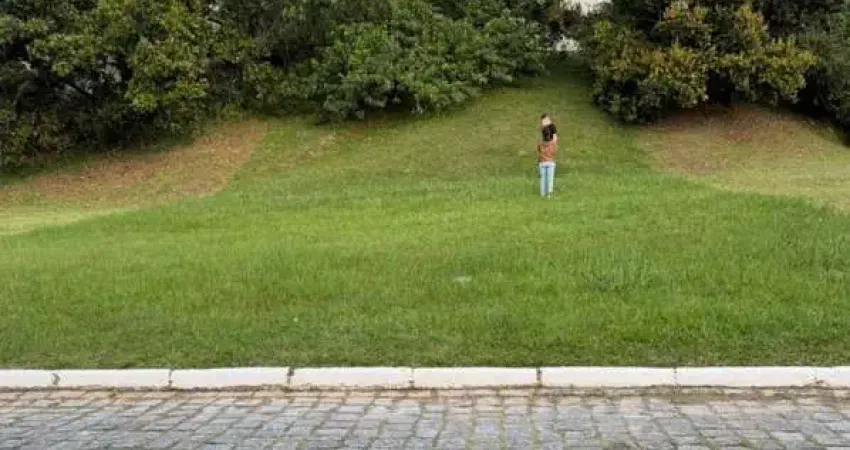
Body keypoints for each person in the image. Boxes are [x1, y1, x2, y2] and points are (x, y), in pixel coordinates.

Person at [537, 113, 558, 198]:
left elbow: (538, 150)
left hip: (542, 163)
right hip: (550, 163)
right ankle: (549, 194)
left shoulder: (541, 143)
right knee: (550, 180)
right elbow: (555, 137)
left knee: (542, 179)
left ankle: (542, 194)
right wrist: (550, 124)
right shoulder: (553, 143)